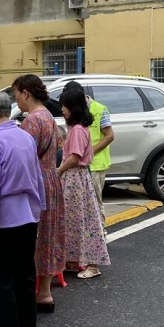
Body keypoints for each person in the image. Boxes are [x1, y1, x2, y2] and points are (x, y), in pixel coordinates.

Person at [0, 90, 45, 327]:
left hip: (4, 217)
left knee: (2, 278)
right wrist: (40, 207)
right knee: (25, 272)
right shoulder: (25, 137)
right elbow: (37, 176)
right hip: (28, 213)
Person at [12, 74, 65, 313]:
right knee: (48, 234)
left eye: (16, 96)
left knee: (30, 235)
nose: (16, 101)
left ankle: (29, 291)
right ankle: (44, 291)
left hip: (36, 181)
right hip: (51, 178)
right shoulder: (49, 117)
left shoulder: (32, 120)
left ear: (25, 93)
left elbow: (23, 156)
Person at [57, 88, 110, 280]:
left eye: (65, 106)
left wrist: (58, 170)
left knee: (83, 220)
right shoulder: (77, 127)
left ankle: (92, 265)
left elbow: (75, 157)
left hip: (75, 178)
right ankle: (74, 260)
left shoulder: (78, 129)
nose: (62, 109)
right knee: (75, 220)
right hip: (76, 178)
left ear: (73, 107)